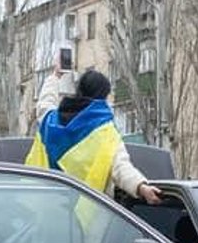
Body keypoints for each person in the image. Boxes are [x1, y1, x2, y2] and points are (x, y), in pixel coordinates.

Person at [32, 67, 162, 204]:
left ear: (79, 90)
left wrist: (54, 77)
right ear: (103, 96)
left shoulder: (51, 121)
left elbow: (44, 104)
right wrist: (141, 187)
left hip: (47, 207)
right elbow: (120, 167)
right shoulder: (105, 132)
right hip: (88, 212)